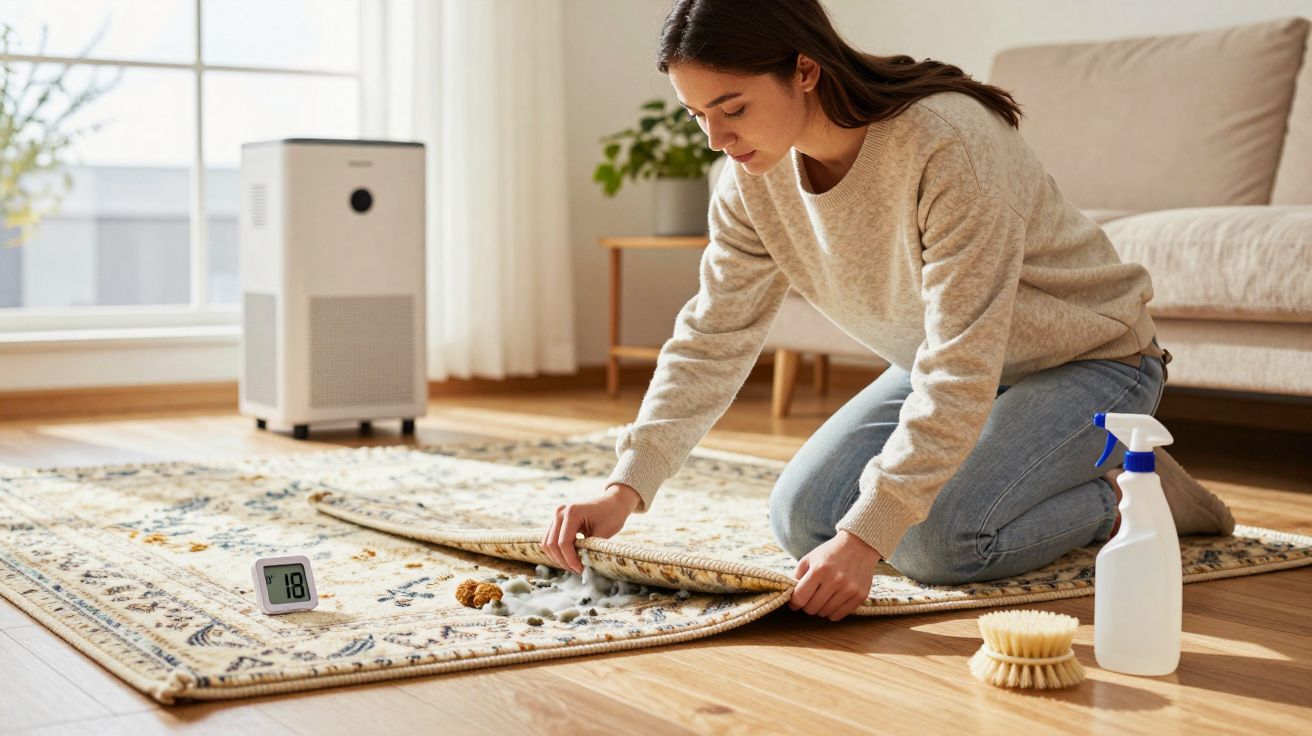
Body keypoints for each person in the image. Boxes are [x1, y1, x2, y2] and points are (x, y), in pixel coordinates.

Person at [541, 0, 1233, 621]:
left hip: (1090, 361)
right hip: (942, 363)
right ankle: (1052, 464)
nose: (716, 139)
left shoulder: (948, 142)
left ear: (805, 70)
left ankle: (1126, 490)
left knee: (937, 542)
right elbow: (712, 336)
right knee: (804, 518)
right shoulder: (748, 182)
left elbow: (963, 356)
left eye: (734, 107)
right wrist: (625, 487)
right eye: (699, 116)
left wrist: (868, 538)